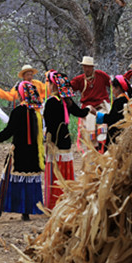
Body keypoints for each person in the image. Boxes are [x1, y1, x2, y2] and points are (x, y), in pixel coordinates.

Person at [0, 81, 45, 221]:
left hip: (19, 154)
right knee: (28, 182)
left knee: (9, 182)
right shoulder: (37, 112)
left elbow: (8, 132)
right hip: (33, 155)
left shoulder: (18, 111)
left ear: (21, 94)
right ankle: (25, 213)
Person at [42, 70, 90, 210]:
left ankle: (54, 204)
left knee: (56, 174)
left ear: (53, 85)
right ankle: (68, 202)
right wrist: (89, 109)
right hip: (66, 139)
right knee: (65, 173)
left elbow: (49, 124)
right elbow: (80, 112)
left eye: (50, 83)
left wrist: (48, 141)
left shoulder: (51, 102)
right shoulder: (67, 101)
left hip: (55, 142)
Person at [70, 56, 111, 152]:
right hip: (88, 109)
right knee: (90, 133)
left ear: (93, 67)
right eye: (85, 66)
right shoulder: (79, 80)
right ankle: (94, 153)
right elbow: (68, 89)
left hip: (102, 106)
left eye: (89, 67)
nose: (87, 69)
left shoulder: (101, 75)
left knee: (104, 131)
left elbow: (112, 84)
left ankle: (104, 152)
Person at [97, 74, 132, 151]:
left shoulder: (119, 102)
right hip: (125, 136)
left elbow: (112, 119)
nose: (112, 90)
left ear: (118, 88)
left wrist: (97, 115)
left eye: (113, 88)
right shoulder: (127, 100)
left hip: (116, 137)